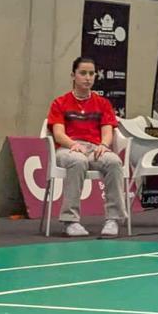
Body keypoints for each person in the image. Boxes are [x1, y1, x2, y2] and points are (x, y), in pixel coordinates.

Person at [47, 56, 127, 238]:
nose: (88, 78)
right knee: (78, 161)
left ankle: (113, 219)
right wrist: (73, 144)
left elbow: (108, 131)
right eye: (83, 73)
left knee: (114, 162)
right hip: (68, 149)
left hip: (94, 148)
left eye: (91, 73)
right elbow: (58, 134)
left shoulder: (103, 103)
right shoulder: (59, 103)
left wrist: (104, 145)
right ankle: (70, 221)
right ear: (73, 76)